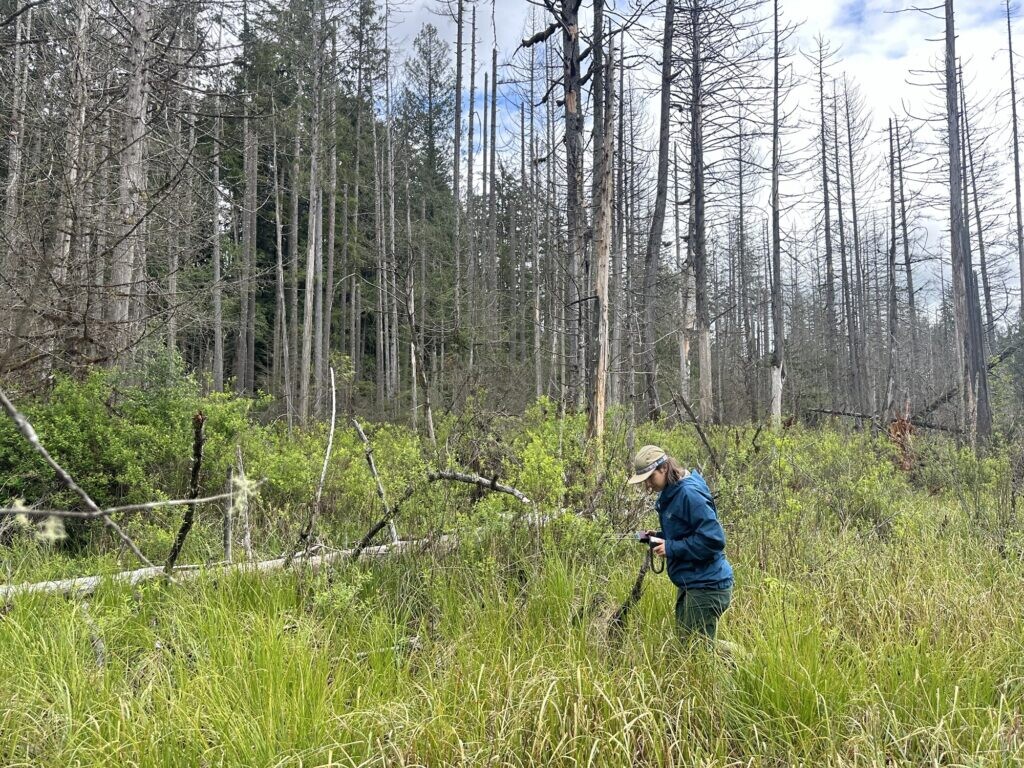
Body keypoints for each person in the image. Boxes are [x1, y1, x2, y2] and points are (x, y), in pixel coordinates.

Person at [627, 444, 733, 642]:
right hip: (692, 582)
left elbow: (714, 540)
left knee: (697, 652)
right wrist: (657, 537)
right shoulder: (672, 490)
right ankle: (744, 659)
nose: (648, 485)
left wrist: (672, 547)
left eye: (650, 478)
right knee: (689, 644)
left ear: (664, 468)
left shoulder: (689, 494)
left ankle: (746, 660)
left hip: (708, 585)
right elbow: (688, 532)